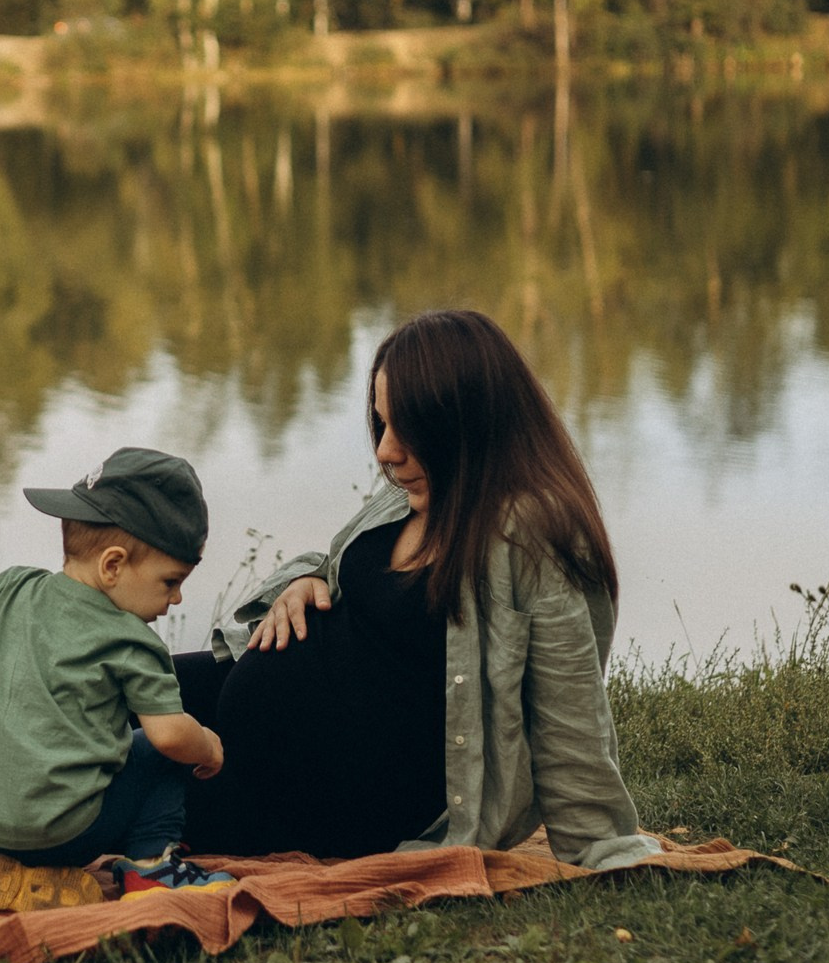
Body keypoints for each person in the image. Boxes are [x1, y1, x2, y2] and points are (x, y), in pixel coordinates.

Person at [179, 309, 663, 870]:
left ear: (465, 420)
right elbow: (334, 563)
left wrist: (598, 842)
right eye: (382, 424)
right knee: (96, 686)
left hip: (332, 795)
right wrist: (302, 580)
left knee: (115, 787)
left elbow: (570, 712)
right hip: (244, 702)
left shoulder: (532, 536)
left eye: (407, 429)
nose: (385, 451)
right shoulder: (416, 492)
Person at [0, 447, 236, 911]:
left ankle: (3, 865)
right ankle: (153, 866)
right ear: (112, 565)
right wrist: (208, 744)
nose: (176, 598)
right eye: (169, 581)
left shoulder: (14, 591)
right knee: (158, 752)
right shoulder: (133, 642)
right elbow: (170, 735)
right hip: (68, 834)